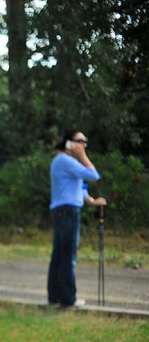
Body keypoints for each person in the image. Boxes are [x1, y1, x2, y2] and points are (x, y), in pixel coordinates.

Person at [47, 130, 107, 308]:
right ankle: (67, 299)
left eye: (85, 142)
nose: (84, 145)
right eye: (80, 141)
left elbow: (80, 188)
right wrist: (84, 156)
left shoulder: (64, 162)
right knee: (67, 255)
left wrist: (91, 201)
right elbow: (93, 175)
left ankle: (55, 297)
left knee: (59, 254)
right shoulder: (65, 160)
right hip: (67, 211)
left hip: (62, 210)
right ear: (69, 143)